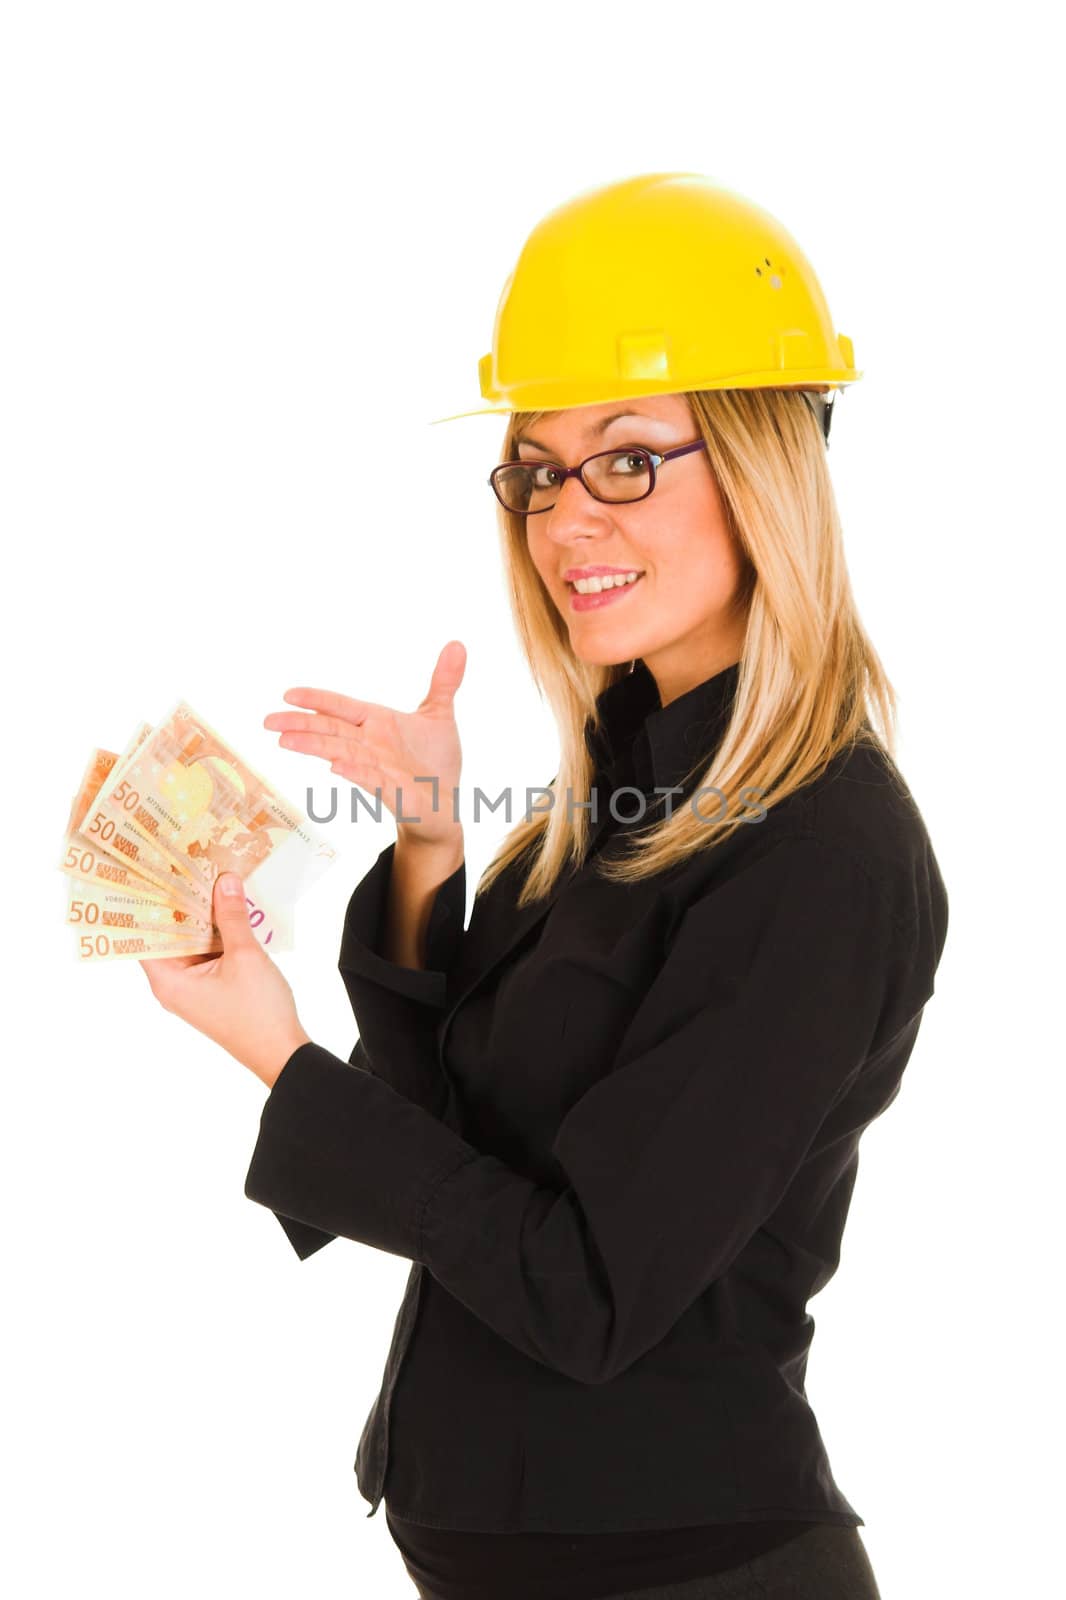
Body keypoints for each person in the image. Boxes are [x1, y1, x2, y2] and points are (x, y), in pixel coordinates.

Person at [142, 174, 949, 1599]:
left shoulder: (823, 851)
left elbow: (578, 1294)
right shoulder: (624, 798)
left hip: (677, 1570)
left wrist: (274, 1055)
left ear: (767, 460)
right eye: (536, 468)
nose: (567, 518)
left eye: (627, 456)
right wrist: (429, 856)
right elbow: (454, 1140)